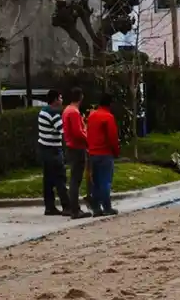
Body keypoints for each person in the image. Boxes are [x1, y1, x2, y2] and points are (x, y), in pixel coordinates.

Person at [36, 89, 77, 217]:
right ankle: (67, 206)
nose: (62, 100)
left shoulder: (43, 111)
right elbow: (63, 131)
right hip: (53, 150)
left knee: (48, 180)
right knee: (60, 178)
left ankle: (49, 207)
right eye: (60, 98)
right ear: (55, 100)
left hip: (44, 148)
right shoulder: (54, 114)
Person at [85, 94, 120, 216]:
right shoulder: (108, 117)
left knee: (96, 182)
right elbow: (112, 138)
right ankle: (107, 207)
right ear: (110, 104)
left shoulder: (92, 115)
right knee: (105, 181)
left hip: (93, 153)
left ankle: (96, 208)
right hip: (105, 153)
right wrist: (116, 152)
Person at [61, 88, 91, 216]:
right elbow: (78, 132)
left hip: (71, 146)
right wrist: (88, 139)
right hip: (77, 147)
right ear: (80, 98)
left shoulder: (67, 110)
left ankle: (73, 207)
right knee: (76, 179)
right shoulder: (73, 112)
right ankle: (75, 209)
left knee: (74, 178)